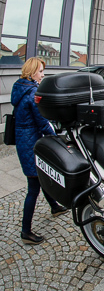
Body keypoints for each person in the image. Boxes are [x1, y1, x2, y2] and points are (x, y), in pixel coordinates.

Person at [11, 57, 68, 245]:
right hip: (31, 142)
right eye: (41, 71)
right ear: (32, 72)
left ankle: (54, 207)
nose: (43, 75)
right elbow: (42, 121)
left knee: (41, 176)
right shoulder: (32, 92)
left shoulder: (20, 88)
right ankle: (25, 231)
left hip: (24, 140)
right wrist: (56, 137)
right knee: (33, 187)